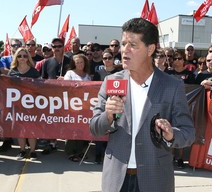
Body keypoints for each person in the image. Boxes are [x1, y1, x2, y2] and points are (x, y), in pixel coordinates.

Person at [90, 18, 195, 192]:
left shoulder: (172, 86)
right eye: (123, 44)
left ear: (150, 49)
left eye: (133, 45)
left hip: (155, 180)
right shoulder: (111, 82)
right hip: (117, 180)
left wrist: (170, 134)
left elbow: (188, 133)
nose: (125, 50)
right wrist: (108, 116)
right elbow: (94, 128)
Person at [8, 47, 40, 160]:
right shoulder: (12, 71)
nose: (22, 58)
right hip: (17, 105)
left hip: (31, 105)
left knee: (31, 128)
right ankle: (22, 150)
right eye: (20, 56)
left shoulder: (34, 72)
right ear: (16, 57)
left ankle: (32, 151)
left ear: (28, 58)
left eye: (25, 56)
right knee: (19, 129)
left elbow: (41, 87)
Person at [41, 38, 71, 154]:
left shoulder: (70, 61)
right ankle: (51, 143)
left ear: (63, 47)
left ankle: (68, 142)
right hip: (51, 97)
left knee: (66, 120)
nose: (57, 49)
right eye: (54, 46)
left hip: (67, 97)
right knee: (51, 120)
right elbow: (42, 80)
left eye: (59, 46)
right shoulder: (47, 62)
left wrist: (66, 79)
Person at [92, 48, 122, 164]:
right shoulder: (98, 73)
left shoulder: (119, 73)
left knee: (114, 131)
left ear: (113, 59)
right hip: (103, 104)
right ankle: (98, 155)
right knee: (101, 128)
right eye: (105, 58)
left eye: (110, 58)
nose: (107, 60)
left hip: (118, 105)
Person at [63, 54, 90, 162]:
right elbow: (65, 86)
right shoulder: (70, 73)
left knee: (82, 128)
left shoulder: (87, 75)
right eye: (77, 62)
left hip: (84, 106)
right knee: (72, 129)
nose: (79, 64)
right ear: (74, 63)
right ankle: (70, 152)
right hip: (72, 105)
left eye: (81, 62)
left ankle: (79, 152)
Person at [0, 39, 22, 152]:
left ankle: (23, 140)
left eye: (18, 45)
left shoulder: (24, 58)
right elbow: (3, 70)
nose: (16, 47)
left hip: (22, 95)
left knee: (21, 116)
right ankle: (7, 140)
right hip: (6, 94)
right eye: (14, 45)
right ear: (10, 47)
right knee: (6, 116)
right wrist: (18, 75)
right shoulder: (4, 59)